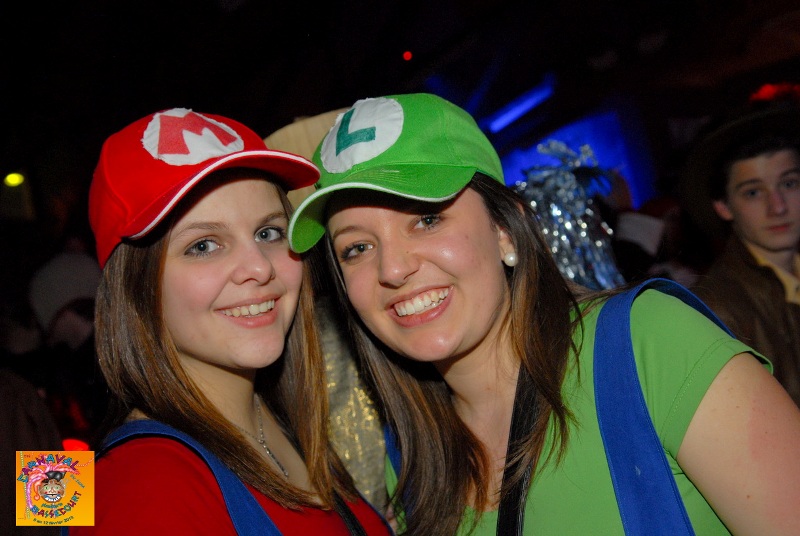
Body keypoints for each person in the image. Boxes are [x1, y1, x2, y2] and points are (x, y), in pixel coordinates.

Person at [287, 93, 800, 535]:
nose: (393, 268)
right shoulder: (411, 461)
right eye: (356, 248)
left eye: (427, 219)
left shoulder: (650, 345)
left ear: (506, 232)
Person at [70, 108, 391, 534]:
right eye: (204, 245)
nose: (259, 267)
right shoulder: (141, 487)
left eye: (268, 233)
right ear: (135, 289)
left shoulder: (281, 420)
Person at [681, 99, 800, 407]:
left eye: (789, 183)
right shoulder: (715, 310)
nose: (778, 207)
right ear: (723, 206)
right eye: (753, 192)